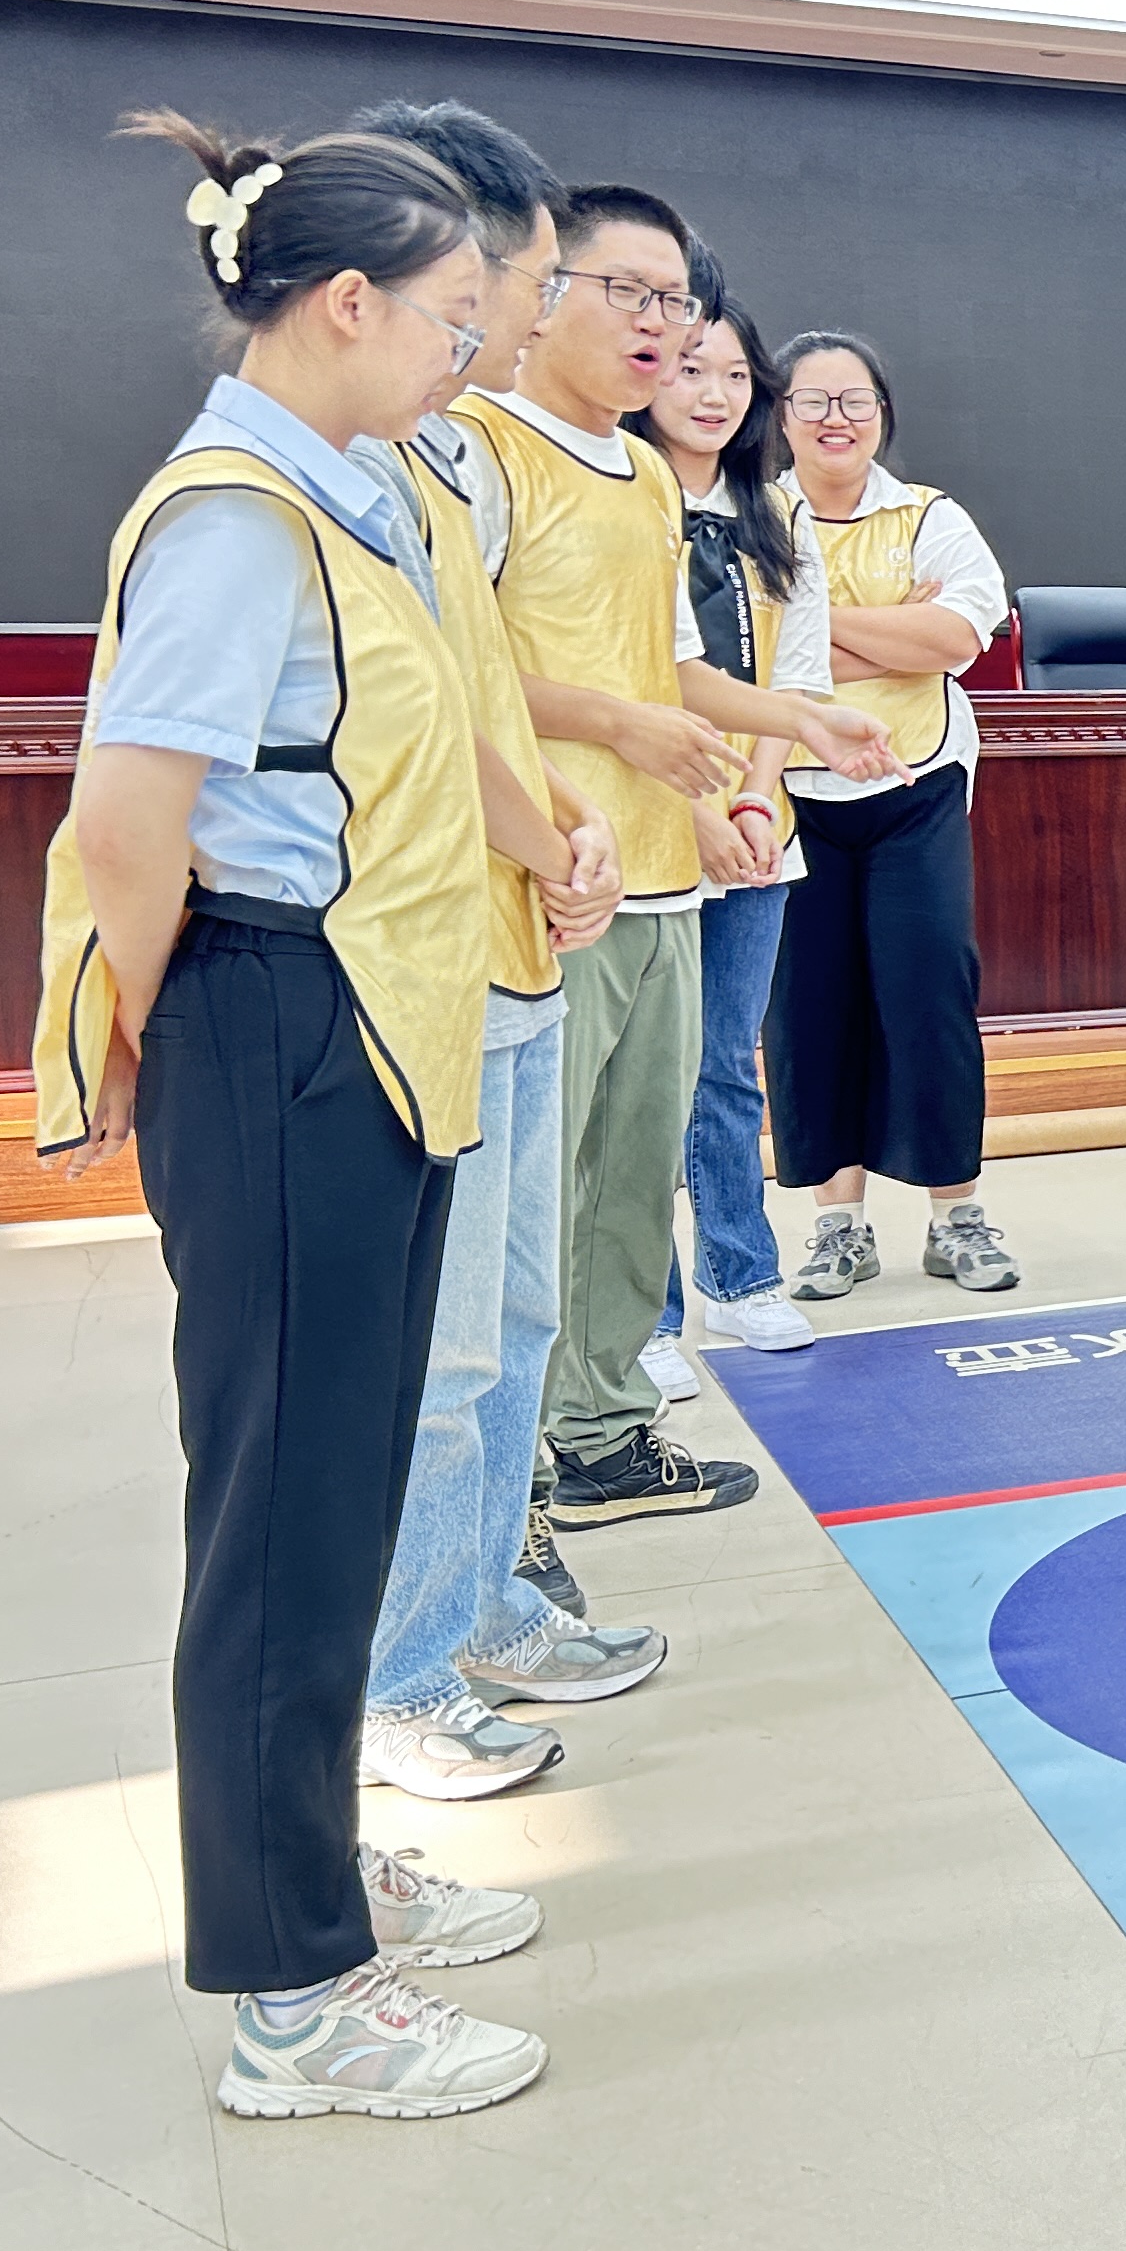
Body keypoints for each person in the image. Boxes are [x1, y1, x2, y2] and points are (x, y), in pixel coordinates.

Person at [29, 110, 547, 2117]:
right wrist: (159, 1061)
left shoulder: (358, 486)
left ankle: (321, 1870)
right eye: (443, 319)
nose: (463, 356)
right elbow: (129, 820)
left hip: (374, 1023)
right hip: (277, 1023)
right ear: (339, 304)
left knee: (335, 1505)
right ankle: (292, 2004)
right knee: (278, 1522)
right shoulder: (237, 517)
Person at [464, 187, 887, 1534]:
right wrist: (613, 729)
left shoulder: (647, 480)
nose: (661, 329)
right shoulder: (476, 451)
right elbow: (443, 677)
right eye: (628, 294)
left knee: (633, 1178)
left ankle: (599, 1429)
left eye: (680, 303)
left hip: (661, 882)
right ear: (541, 291)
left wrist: (796, 716)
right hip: (540, 883)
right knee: (539, 1196)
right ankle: (501, 1482)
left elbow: (677, 669)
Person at [336, 98, 662, 1805]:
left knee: (515, 1320)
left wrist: (566, 839)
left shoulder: (450, 454)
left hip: (523, 938)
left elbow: (485, 681)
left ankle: (478, 1604)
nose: (529, 322)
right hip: (426, 963)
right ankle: (396, 1678)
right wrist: (549, 828)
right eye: (519, 287)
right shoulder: (323, 472)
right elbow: (415, 719)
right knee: (444, 1353)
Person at [765, 329, 1019, 1301]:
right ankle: (839, 1227)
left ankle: (958, 1218)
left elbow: (960, 634)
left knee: (929, 994)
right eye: (813, 400)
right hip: (791, 792)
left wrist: (807, 629)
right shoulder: (756, 518)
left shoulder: (929, 515)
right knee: (813, 1007)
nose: (835, 418)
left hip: (915, 789)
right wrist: (890, 637)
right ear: (782, 415)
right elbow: (741, 652)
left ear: (882, 416)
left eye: (855, 400)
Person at [639, 297, 829, 1390]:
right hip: (650, 832)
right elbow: (632, 678)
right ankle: (644, 1312)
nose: (712, 395)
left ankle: (743, 1276)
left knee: (724, 1065)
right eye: (689, 371)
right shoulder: (618, 497)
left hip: (759, 834)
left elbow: (792, 683)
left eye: (734, 378)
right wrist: (694, 814)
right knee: (642, 1078)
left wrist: (754, 802)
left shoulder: (777, 519)